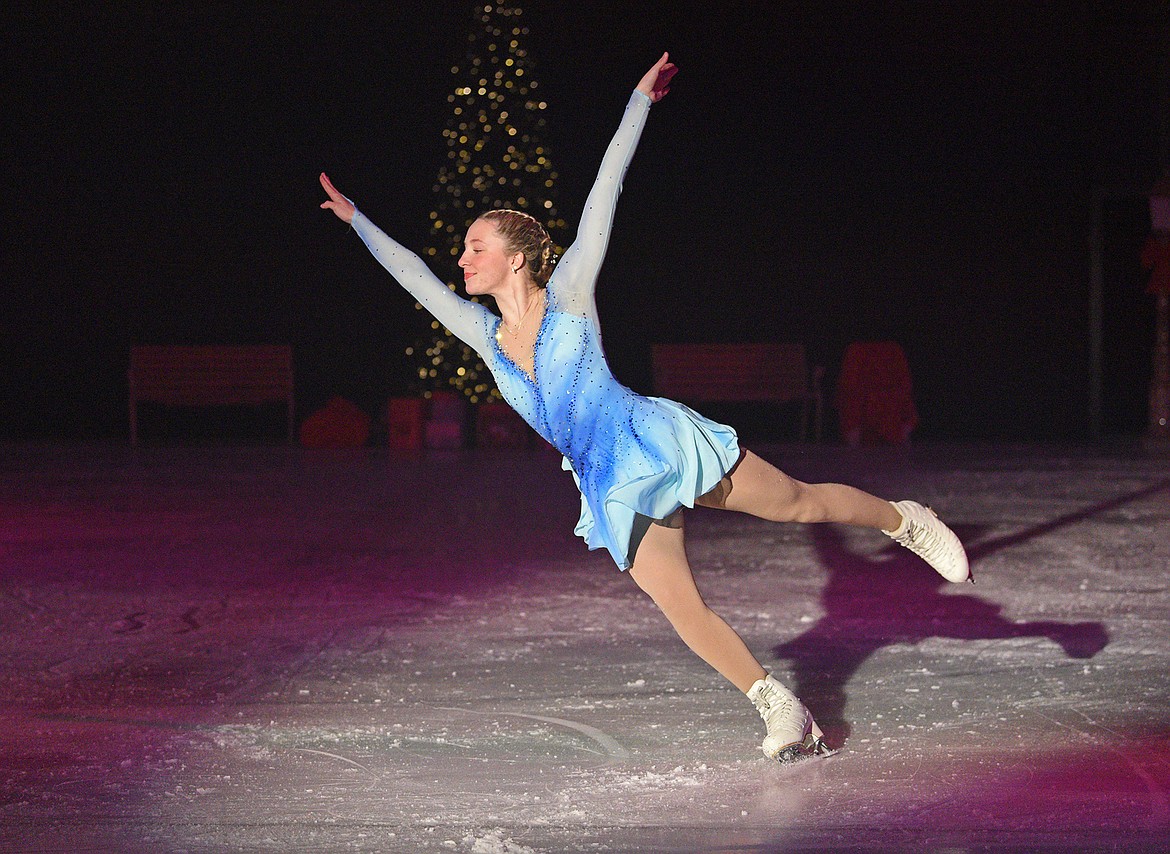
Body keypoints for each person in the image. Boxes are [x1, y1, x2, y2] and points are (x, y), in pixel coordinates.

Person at [320, 52, 972, 763]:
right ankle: (781, 709)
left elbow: (605, 190)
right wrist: (358, 222)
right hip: (606, 479)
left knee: (797, 504)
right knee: (681, 606)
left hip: (651, 437)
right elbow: (415, 277)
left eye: (477, 245)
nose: (463, 256)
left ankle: (906, 520)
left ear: (516, 258)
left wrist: (638, 103)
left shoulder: (568, 292)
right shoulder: (485, 335)